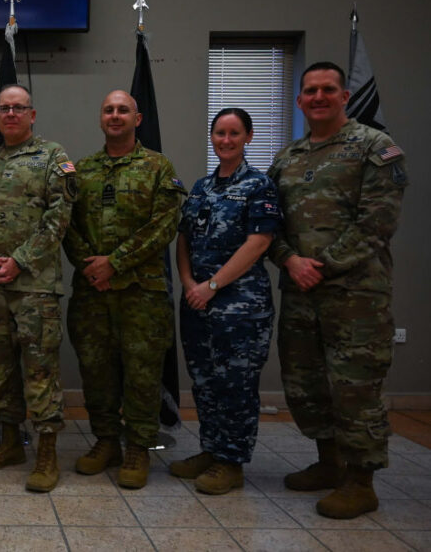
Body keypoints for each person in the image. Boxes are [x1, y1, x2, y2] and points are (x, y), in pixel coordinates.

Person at [268, 62, 407, 519]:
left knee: (355, 388)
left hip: (357, 296)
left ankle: (360, 480)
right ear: (299, 100)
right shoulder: (287, 158)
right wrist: (290, 259)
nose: (319, 96)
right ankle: (329, 462)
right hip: (300, 292)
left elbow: (377, 222)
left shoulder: (375, 147)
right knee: (306, 385)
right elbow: (269, 224)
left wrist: (322, 268)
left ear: (345, 97)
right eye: (310, 90)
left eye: (328, 89)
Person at [63, 89, 185, 490]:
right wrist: (91, 265)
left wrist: (114, 262)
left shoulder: (157, 167)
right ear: (101, 118)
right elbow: (68, 226)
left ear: (138, 119)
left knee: (141, 373)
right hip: (92, 293)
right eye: (108, 110)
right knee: (96, 371)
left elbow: (164, 226)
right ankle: (105, 441)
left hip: (141, 294)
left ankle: (137, 447)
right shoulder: (82, 170)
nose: (115, 115)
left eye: (123, 110)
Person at [0, 84, 75, 492]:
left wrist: (19, 261)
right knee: (0, 370)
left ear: (32, 114)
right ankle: (10, 442)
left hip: (35, 288)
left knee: (41, 372)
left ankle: (46, 454)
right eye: (4, 108)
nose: (11, 113)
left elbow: (57, 220)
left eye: (19, 107)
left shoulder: (53, 158)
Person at [171, 108, 281, 494]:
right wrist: (188, 283)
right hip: (197, 303)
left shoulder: (259, 186)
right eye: (220, 133)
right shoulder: (201, 187)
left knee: (235, 384)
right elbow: (183, 239)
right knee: (204, 382)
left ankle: (231, 462)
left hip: (240, 307)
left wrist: (211, 286)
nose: (226, 140)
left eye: (235, 133)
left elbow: (259, 242)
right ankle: (211, 450)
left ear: (248, 137)